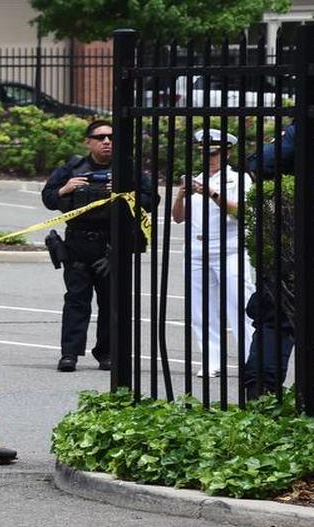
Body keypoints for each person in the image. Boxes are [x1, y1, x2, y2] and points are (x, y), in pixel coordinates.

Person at [41, 120, 156, 373]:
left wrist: (127, 192)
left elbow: (151, 200)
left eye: (112, 137)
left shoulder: (127, 170)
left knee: (110, 303)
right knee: (76, 302)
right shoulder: (72, 168)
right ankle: (69, 354)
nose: (107, 142)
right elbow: (48, 199)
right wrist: (64, 189)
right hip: (78, 244)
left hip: (112, 245)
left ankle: (106, 354)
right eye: (101, 137)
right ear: (88, 142)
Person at [171, 128, 255, 378]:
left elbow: (242, 210)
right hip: (197, 249)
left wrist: (210, 192)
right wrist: (180, 195)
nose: (209, 157)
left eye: (214, 153)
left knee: (240, 304)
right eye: (204, 152)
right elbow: (178, 218)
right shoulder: (195, 178)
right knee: (201, 309)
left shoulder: (238, 179)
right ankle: (211, 360)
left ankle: (250, 359)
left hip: (230, 248)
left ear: (227, 152)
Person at [241, 122, 296, 397]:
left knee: (275, 315)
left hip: (292, 244)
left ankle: (261, 391)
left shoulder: (299, 129)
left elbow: (262, 163)